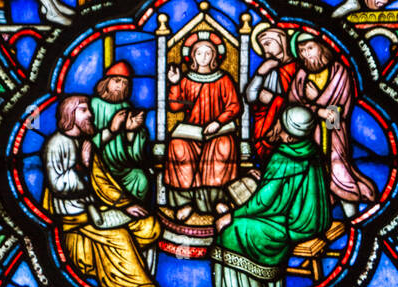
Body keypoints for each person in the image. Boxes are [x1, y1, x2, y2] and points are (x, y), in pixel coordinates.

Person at [42, 94, 187, 287]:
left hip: (95, 214)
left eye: (89, 109)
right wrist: (82, 167)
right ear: (69, 115)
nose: (90, 114)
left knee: (149, 226)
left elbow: (102, 182)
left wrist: (125, 204)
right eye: (83, 110)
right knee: (120, 236)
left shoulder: (85, 143)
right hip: (75, 222)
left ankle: (127, 273)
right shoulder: (56, 144)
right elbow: (57, 184)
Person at [210, 105, 330, 287]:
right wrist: (265, 178)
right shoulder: (311, 151)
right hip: (309, 219)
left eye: (281, 125)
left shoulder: (284, 157)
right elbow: (288, 190)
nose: (278, 128)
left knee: (232, 230)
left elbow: (263, 203)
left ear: (290, 136)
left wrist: (231, 215)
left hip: (289, 224)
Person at [287, 33, 377, 219]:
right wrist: (317, 110)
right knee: (309, 184)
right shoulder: (301, 76)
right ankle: (316, 226)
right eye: (302, 50)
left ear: (322, 47)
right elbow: (291, 110)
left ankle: (352, 220)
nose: (306, 55)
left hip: (334, 139)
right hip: (307, 141)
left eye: (310, 48)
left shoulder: (339, 73)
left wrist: (315, 102)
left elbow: (338, 117)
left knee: (340, 177)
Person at [164, 35, 241, 221]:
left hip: (218, 131)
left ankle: (217, 201)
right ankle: (185, 202)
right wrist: (174, 83)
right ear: (192, 56)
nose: (204, 57)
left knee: (223, 147)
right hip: (191, 131)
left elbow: (234, 105)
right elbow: (175, 106)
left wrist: (218, 122)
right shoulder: (186, 79)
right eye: (199, 53)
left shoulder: (224, 79)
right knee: (177, 146)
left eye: (208, 53)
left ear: (215, 56)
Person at [90, 60, 152, 205]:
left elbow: (135, 152)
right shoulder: (92, 105)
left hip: (122, 166)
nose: (120, 86)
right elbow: (86, 142)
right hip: (99, 166)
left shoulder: (126, 106)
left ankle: (131, 213)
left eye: (125, 83)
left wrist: (131, 132)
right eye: (117, 81)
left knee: (141, 178)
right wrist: (111, 130)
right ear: (106, 82)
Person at [244, 24, 296, 166]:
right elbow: (250, 96)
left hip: (289, 131)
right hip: (265, 123)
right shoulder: (270, 67)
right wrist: (261, 72)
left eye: (268, 44)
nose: (265, 50)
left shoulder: (296, 68)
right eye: (262, 46)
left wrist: (274, 100)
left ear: (281, 40)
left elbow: (300, 104)